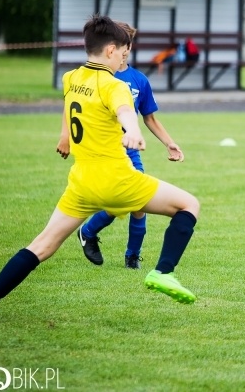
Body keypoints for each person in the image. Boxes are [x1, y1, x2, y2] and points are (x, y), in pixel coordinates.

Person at [0, 14, 201, 322]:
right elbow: (124, 111)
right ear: (109, 51)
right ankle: (162, 272)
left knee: (42, 245)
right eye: (122, 51)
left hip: (81, 182)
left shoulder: (71, 78)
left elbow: (75, 110)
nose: (124, 57)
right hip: (116, 179)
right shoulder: (114, 85)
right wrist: (132, 130)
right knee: (189, 204)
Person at [73, 22, 185, 269]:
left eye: (128, 46)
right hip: (104, 150)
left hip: (130, 151)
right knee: (124, 200)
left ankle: (131, 256)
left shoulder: (138, 80)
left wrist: (170, 143)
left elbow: (149, 117)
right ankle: (89, 231)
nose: (125, 51)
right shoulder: (99, 78)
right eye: (122, 46)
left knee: (138, 203)